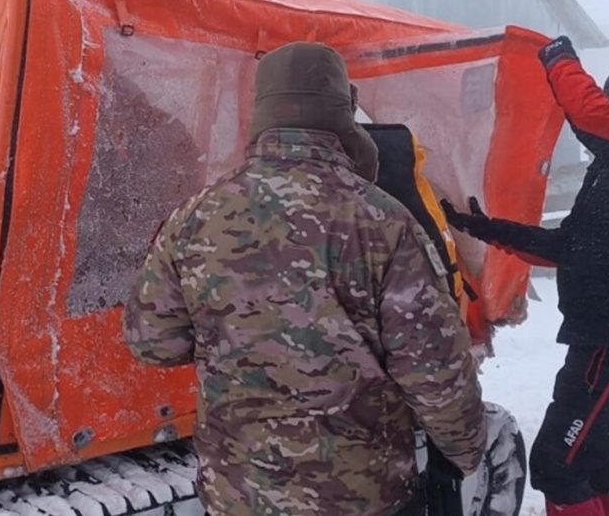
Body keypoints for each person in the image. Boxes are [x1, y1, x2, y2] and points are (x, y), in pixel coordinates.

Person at [124, 42, 487, 516]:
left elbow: (151, 342)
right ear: (342, 115)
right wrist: (465, 452)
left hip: (239, 495)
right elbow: (435, 371)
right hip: (359, 497)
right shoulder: (382, 220)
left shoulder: (195, 216)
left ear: (262, 115)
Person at [441, 36, 609, 516]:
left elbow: (589, 111)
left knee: (557, 466)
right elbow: (570, 248)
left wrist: (559, 57)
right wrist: (485, 229)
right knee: (602, 464)